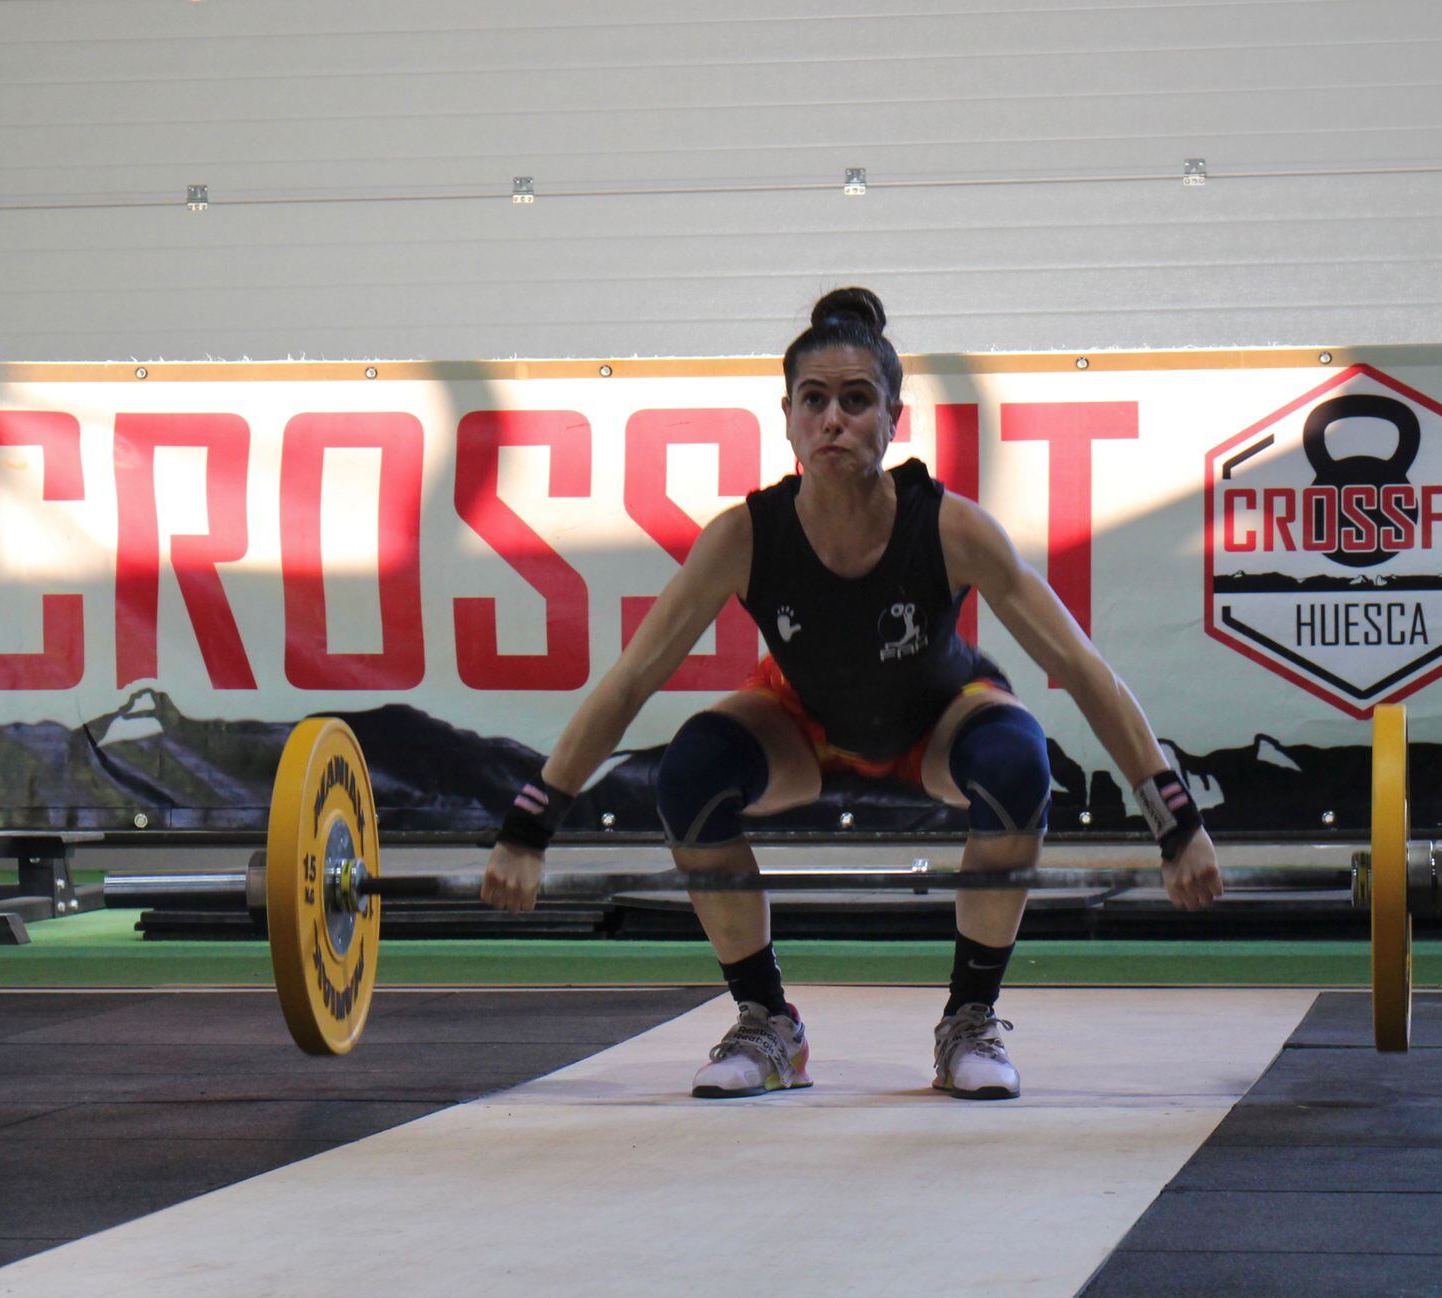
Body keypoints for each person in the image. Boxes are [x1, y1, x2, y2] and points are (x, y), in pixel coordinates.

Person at [480, 287, 1222, 1100]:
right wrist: (528, 829)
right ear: (788, 418)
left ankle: (968, 1020)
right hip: (804, 729)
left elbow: (1081, 667)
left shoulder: (951, 528)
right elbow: (630, 681)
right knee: (689, 772)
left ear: (893, 418)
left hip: (940, 721)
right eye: (815, 401)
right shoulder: (744, 537)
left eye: (857, 400)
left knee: (1018, 763)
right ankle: (768, 1024)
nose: (833, 420)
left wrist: (1175, 822)